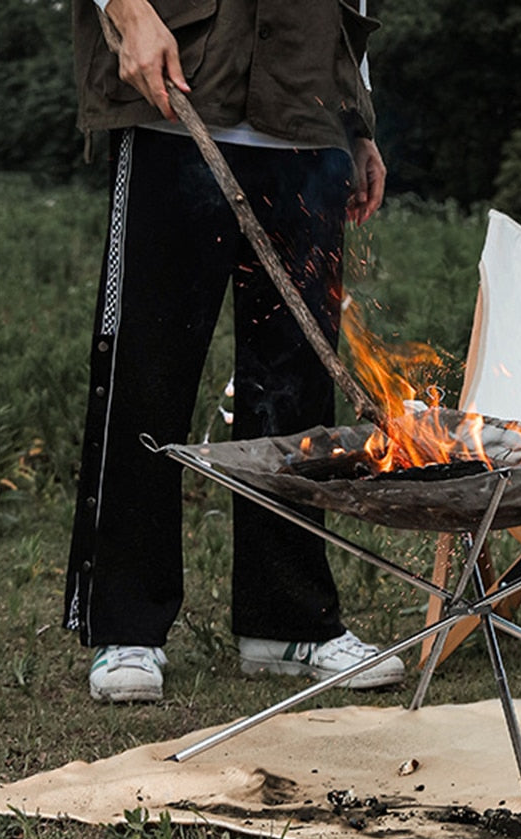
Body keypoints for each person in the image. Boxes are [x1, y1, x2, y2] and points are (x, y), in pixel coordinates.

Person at [65, 0, 402, 702]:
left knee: (296, 385)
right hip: (176, 100)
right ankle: (126, 627)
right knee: (147, 371)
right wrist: (126, 11)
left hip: (307, 121)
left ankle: (286, 623)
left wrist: (357, 120)